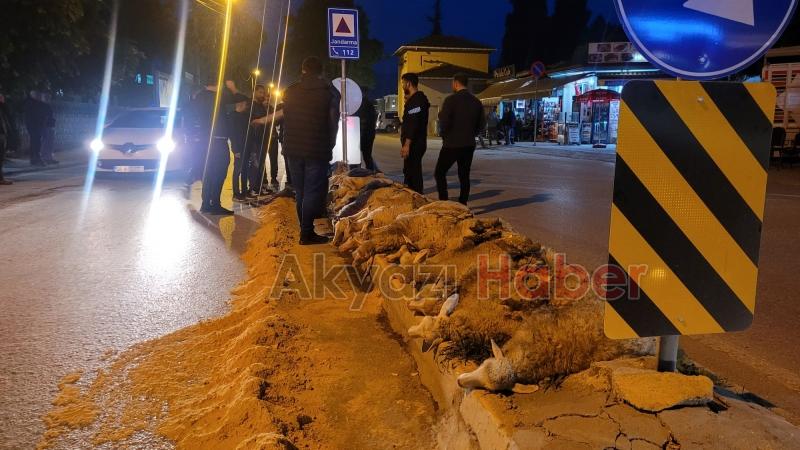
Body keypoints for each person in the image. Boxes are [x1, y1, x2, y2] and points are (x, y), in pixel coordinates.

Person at [280, 56, 340, 245]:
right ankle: (306, 233)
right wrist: (330, 145)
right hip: (316, 148)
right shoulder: (329, 92)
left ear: (303, 70)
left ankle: (304, 230)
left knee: (301, 191)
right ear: (321, 72)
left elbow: (286, 118)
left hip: (292, 148)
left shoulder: (290, 91)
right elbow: (333, 121)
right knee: (313, 192)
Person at [434, 73, 485, 206]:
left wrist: (445, 136)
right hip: (468, 144)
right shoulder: (476, 102)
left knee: (440, 172)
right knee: (464, 175)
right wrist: (471, 134)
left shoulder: (451, 100)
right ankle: (463, 203)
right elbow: (481, 124)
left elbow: (444, 122)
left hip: (451, 144)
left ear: (456, 83)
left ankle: (444, 202)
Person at [193, 78, 239, 215]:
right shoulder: (218, 98)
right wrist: (233, 88)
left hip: (204, 141)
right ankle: (215, 204)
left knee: (208, 173)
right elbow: (239, 101)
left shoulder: (198, 97)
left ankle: (206, 203)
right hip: (218, 141)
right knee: (219, 173)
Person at [399, 73, 429, 194]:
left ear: (408, 84)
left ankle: (417, 197)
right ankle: (412, 196)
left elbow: (413, 123)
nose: (402, 86)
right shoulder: (415, 100)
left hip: (415, 144)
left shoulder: (417, 101)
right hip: (415, 143)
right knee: (409, 171)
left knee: (414, 172)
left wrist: (407, 144)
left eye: (403, 83)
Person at [230, 93, 253, 202]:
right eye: (245, 103)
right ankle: (236, 193)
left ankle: (244, 191)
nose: (246, 105)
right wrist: (235, 150)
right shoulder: (232, 116)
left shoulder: (245, 116)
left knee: (245, 170)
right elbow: (232, 135)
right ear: (240, 104)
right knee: (237, 170)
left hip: (246, 147)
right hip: (239, 148)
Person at [355, 87, 378, 171]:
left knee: (360, 157)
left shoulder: (363, 104)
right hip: (367, 134)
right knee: (366, 156)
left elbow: (365, 120)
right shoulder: (368, 104)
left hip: (364, 134)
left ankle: (360, 173)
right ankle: (370, 172)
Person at [23, 90, 45, 166]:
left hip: (36, 125)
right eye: (37, 95)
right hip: (33, 126)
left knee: (37, 142)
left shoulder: (36, 103)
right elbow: (31, 116)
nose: (39, 96)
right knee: (35, 142)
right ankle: (35, 158)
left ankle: (35, 158)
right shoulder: (30, 103)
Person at [40, 92, 58, 165]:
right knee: (46, 143)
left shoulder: (48, 106)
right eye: (47, 97)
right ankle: (45, 158)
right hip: (46, 127)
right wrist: (44, 125)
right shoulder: (42, 106)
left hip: (50, 126)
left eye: (49, 97)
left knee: (50, 143)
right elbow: (44, 117)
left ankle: (49, 157)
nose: (48, 99)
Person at [0, 92, 13, 185]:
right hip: (1, 133)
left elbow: (6, 118)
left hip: (2, 133)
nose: (3, 98)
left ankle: (1, 177)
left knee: (1, 157)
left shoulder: (2, 108)